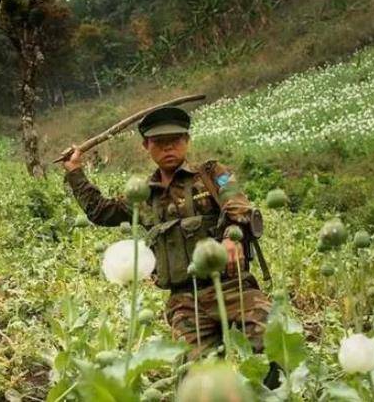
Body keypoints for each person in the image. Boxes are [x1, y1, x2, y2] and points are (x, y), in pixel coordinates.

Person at [62, 106, 274, 366]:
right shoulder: (143, 195)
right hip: (184, 301)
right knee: (193, 375)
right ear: (146, 147)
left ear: (187, 141)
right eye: (159, 143)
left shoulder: (211, 174)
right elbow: (100, 211)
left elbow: (238, 204)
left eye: (175, 140)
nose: (168, 148)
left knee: (271, 348)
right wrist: (74, 170)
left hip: (232, 287)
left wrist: (233, 236)